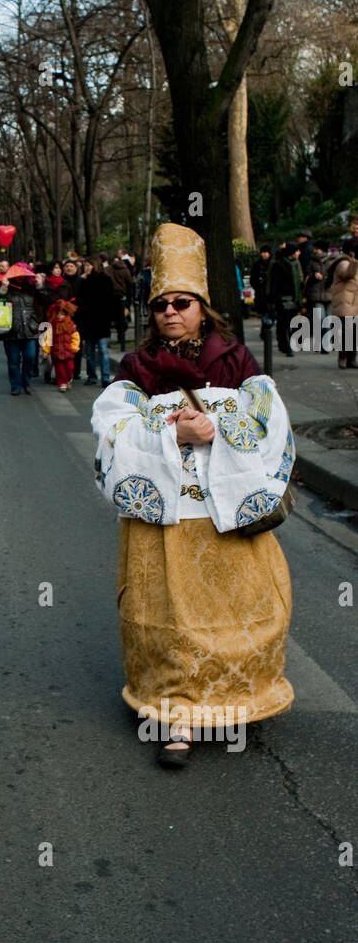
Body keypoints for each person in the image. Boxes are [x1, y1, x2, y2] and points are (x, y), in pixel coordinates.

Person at [91, 223, 294, 767]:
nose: (170, 312)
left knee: (240, 607)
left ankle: (234, 698)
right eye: (160, 305)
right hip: (166, 524)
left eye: (182, 302)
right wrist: (172, 434)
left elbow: (269, 423)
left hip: (225, 519)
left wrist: (222, 430)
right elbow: (112, 432)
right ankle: (173, 714)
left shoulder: (236, 361)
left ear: (203, 307)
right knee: (168, 618)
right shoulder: (136, 369)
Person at [0, 261, 39, 396]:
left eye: (23, 275)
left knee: (30, 357)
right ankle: (16, 385)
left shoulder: (32, 289)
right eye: (17, 275)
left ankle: (27, 382)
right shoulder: (6, 288)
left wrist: (40, 286)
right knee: (13, 360)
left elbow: (43, 300)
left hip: (29, 329)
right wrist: (3, 289)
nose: (20, 277)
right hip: (11, 329)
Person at [77, 256, 115, 385]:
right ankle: (92, 376)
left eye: (88, 265)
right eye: (85, 266)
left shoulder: (105, 280)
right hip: (88, 322)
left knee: (103, 351)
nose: (86, 268)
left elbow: (110, 301)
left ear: (95, 266)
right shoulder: (83, 281)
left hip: (101, 321)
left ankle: (105, 377)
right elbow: (80, 301)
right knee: (89, 352)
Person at [329, 239, 358, 369]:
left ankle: (351, 359)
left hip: (353, 303)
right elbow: (347, 274)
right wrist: (354, 261)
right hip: (345, 303)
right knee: (348, 333)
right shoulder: (343, 262)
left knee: (354, 333)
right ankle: (343, 357)